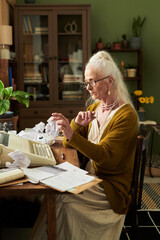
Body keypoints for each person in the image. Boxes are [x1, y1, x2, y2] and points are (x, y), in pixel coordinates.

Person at [32, 50, 138, 240]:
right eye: (86, 82)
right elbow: (67, 142)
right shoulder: (95, 108)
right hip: (91, 177)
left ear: (110, 80)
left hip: (110, 188)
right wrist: (75, 125)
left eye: (93, 81)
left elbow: (106, 156)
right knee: (51, 195)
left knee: (59, 199)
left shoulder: (126, 116)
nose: (88, 87)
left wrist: (72, 133)